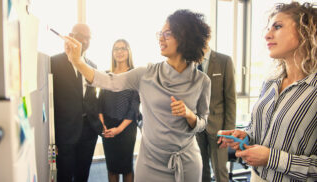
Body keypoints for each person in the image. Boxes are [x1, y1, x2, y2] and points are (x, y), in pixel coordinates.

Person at [64, 9, 211, 182]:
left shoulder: (202, 81)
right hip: (151, 163)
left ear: (184, 36)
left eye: (167, 34)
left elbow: (202, 123)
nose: (161, 38)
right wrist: (77, 62)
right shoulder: (145, 74)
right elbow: (109, 81)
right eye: (160, 33)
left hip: (187, 163)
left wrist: (189, 114)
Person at [218, 2, 317, 182]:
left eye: (277, 27)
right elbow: (260, 129)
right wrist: (246, 136)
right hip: (255, 176)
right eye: (268, 28)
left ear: (306, 32)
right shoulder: (270, 81)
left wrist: (271, 158)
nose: (267, 35)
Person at [51, 23, 102, 182]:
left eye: (88, 38)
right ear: (70, 36)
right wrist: (53, 137)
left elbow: (91, 98)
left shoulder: (92, 66)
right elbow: (50, 100)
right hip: (65, 132)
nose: (84, 40)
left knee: (83, 174)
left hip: (88, 131)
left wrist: (98, 124)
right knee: (64, 175)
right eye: (80, 35)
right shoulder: (54, 62)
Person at [196, 27, 236, 182]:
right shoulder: (189, 62)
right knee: (201, 169)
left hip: (219, 127)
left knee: (220, 171)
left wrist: (229, 131)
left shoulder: (224, 61)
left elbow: (230, 99)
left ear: (208, 37)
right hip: (196, 126)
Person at [98, 39, 140, 182]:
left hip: (126, 127)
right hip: (107, 126)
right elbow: (100, 102)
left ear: (129, 51)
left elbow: (134, 106)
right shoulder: (106, 74)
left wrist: (119, 129)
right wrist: (102, 125)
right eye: (116, 49)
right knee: (111, 167)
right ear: (112, 53)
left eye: (123, 48)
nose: (120, 52)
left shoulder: (134, 75)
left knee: (127, 167)